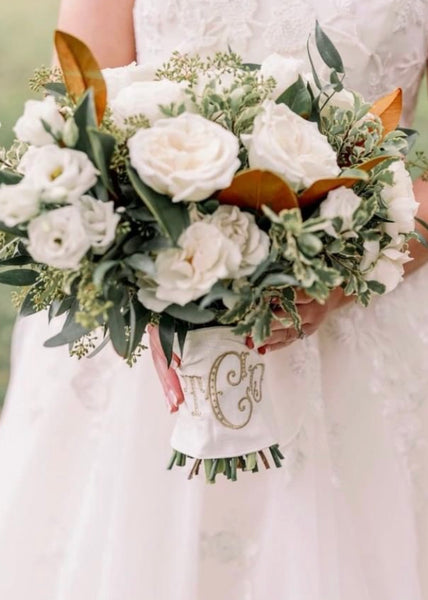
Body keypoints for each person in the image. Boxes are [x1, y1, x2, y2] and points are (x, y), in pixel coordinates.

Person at [0, 0, 427, 598]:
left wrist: (341, 276)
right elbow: (77, 116)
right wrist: (146, 280)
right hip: (140, 341)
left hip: (361, 314)